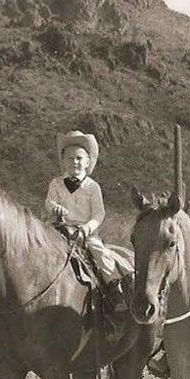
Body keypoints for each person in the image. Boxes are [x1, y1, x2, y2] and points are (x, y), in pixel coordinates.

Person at [47, 131, 129, 336]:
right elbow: (49, 201)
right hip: (61, 227)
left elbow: (99, 213)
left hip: (84, 231)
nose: (74, 162)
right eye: (69, 158)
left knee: (100, 253)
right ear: (63, 162)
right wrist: (55, 209)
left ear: (87, 162)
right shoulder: (56, 184)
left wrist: (87, 228)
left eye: (79, 158)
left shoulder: (93, 187)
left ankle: (114, 288)